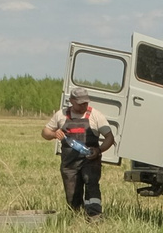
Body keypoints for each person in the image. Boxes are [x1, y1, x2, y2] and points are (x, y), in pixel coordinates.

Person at [43, 89, 114, 217]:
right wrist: (54, 134)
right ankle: (77, 217)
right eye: (80, 103)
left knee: (91, 184)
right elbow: (45, 133)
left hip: (90, 160)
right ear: (71, 101)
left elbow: (110, 137)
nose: (84, 106)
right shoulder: (61, 115)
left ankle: (95, 216)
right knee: (72, 193)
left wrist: (98, 150)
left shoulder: (95, 115)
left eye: (85, 103)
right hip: (69, 163)